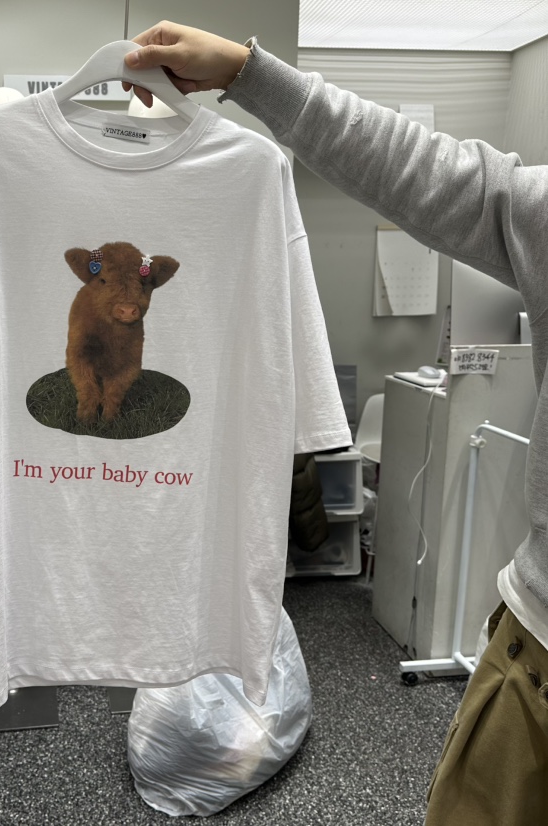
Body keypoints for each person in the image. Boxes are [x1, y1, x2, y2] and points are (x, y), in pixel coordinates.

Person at [124, 21, 548, 826]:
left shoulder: (249, 179)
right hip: (538, 654)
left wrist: (307, 424)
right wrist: (248, 72)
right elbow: (427, 171)